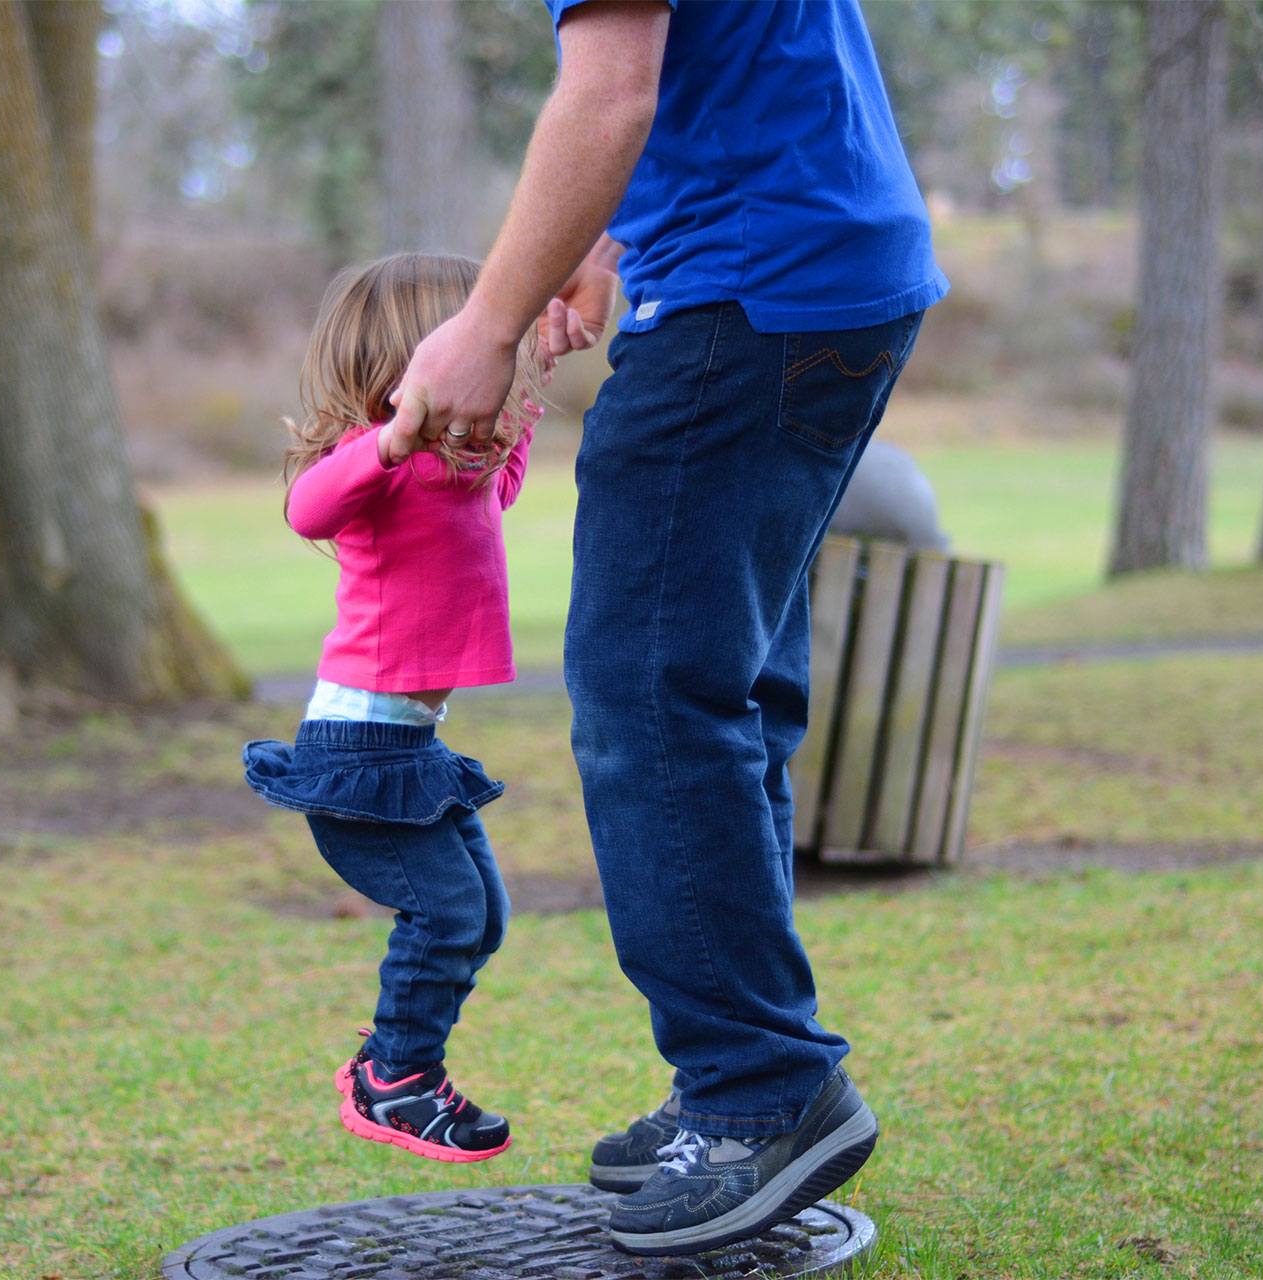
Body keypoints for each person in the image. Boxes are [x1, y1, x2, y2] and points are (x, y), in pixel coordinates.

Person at [381, 0, 948, 1256]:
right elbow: (717, 68)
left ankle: (760, 1088)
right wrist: (611, 233)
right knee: (725, 687)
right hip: (830, 269)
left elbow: (611, 92)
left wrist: (485, 323)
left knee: (650, 695)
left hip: (750, 293)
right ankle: (736, 1087)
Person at [241, 252, 543, 1163]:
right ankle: (397, 1080)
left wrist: (534, 380)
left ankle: (396, 1066)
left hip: (407, 748)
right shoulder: (370, 468)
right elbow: (305, 509)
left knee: (482, 915)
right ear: (416, 362)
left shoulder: (453, 476)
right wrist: (391, 438)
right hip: (357, 750)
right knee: (449, 915)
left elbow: (501, 487)